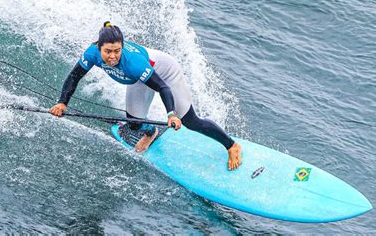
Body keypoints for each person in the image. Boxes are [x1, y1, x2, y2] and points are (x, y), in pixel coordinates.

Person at [49, 22, 242, 170]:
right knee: (134, 123)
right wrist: (62, 103)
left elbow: (162, 87)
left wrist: (171, 114)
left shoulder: (133, 62)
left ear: (122, 47)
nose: (113, 56)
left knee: (190, 121)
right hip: (139, 79)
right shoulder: (92, 54)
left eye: (117, 51)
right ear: (99, 48)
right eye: (108, 51)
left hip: (165, 73)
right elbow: (74, 76)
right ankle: (151, 132)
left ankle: (231, 145)